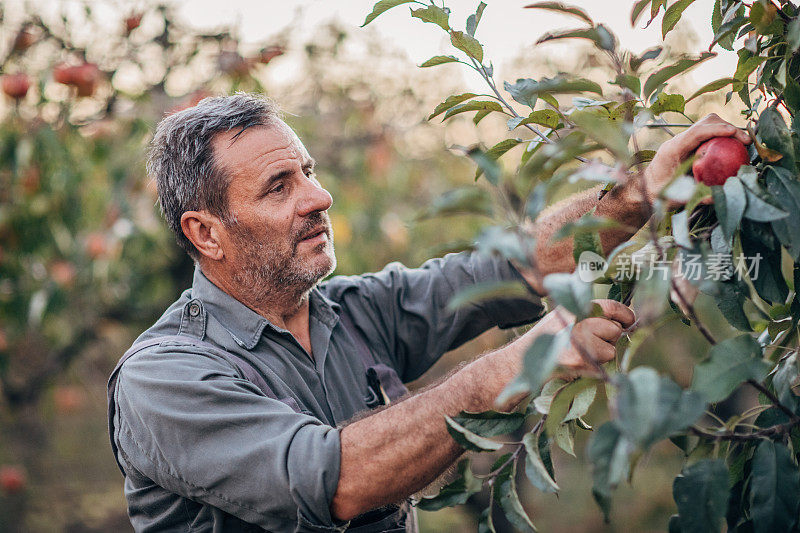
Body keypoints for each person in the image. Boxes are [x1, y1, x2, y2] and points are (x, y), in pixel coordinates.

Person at [108, 93, 750, 532]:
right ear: (207, 232)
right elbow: (336, 481)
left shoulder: (346, 312)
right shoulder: (163, 379)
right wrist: (504, 373)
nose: (319, 196)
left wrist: (640, 195)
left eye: (307, 172)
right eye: (280, 187)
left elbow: (515, 268)